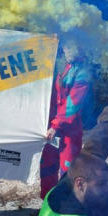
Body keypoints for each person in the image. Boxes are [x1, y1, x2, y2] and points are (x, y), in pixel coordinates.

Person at [39, 43, 93, 199]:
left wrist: (56, 124)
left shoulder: (83, 72)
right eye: (66, 47)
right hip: (52, 126)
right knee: (48, 166)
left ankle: (66, 205)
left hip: (69, 130)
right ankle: (48, 203)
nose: (67, 50)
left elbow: (72, 104)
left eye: (72, 46)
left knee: (67, 169)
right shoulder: (64, 67)